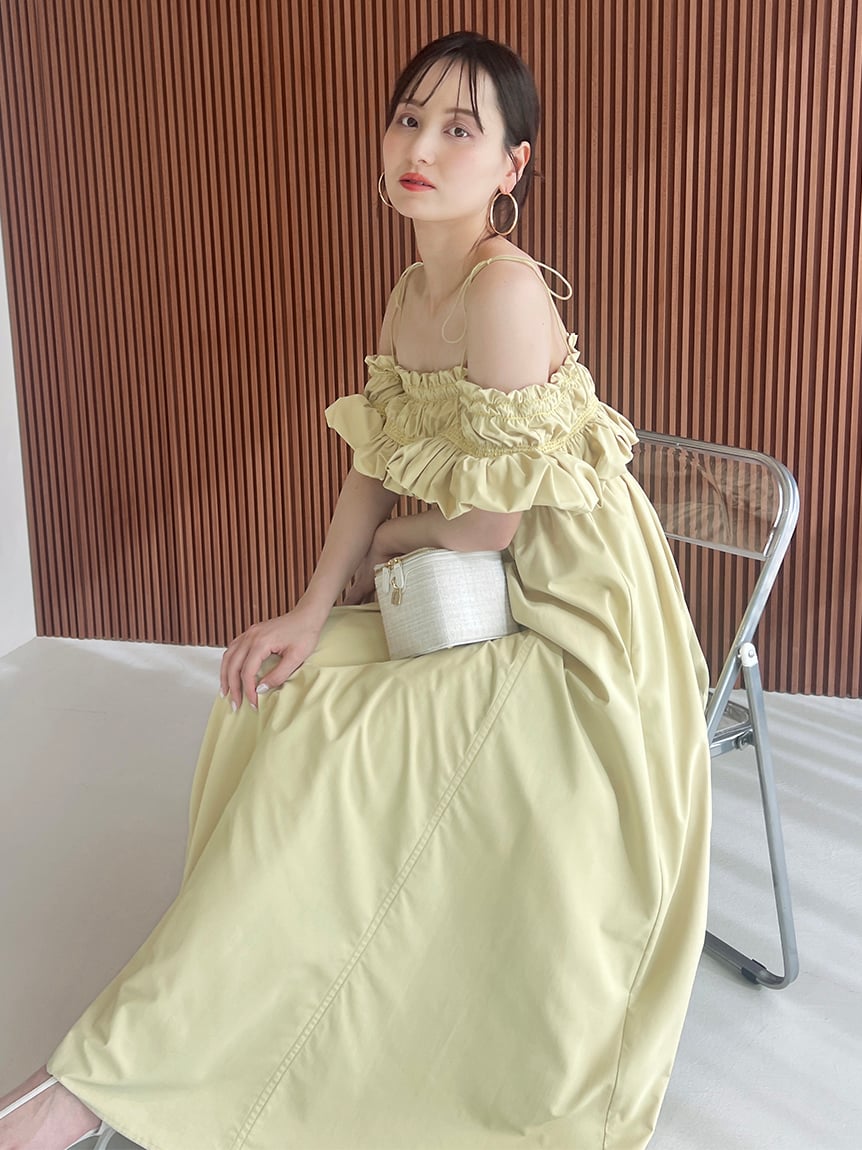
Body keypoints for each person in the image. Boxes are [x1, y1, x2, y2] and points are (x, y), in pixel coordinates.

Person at [0, 30, 711, 1150]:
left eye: (458, 130)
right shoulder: (411, 291)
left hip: (571, 610)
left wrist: (391, 547)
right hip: (470, 584)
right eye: (407, 119)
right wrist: (309, 605)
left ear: (513, 166)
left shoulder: (504, 288)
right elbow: (371, 466)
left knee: (345, 738)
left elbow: (491, 522)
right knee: (280, 689)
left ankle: (115, 1077)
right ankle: (215, 1017)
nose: (419, 148)